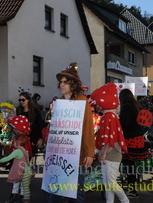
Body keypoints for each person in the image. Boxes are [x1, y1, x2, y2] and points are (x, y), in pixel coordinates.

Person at [48, 62, 95, 202]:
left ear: (73, 84)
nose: (62, 85)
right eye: (61, 82)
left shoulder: (82, 101)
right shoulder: (59, 102)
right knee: (55, 191)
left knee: (77, 193)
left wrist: (90, 153)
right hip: (60, 154)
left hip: (77, 154)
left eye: (65, 82)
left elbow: (88, 128)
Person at [90, 83, 129, 203]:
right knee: (108, 184)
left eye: (97, 104)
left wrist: (103, 154)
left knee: (110, 183)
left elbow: (109, 139)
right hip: (111, 154)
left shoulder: (109, 116)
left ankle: (125, 201)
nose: (96, 107)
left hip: (111, 154)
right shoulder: (110, 116)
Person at [0, 115, 32, 203]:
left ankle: (17, 197)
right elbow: (28, 154)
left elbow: (10, 157)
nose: (14, 130)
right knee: (21, 183)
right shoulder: (23, 139)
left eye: (15, 128)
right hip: (23, 166)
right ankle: (21, 197)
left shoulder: (19, 140)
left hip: (19, 166)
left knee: (18, 182)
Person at [119, 89, 146, 198]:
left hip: (130, 139)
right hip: (138, 138)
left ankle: (132, 190)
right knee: (131, 165)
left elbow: (125, 123)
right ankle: (132, 186)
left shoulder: (126, 107)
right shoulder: (136, 106)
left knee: (128, 165)